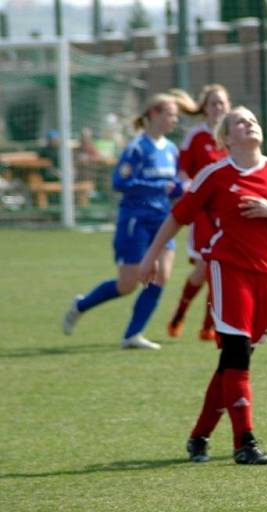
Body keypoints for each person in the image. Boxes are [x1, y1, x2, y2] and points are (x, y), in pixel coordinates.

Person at [139, 106, 267, 465]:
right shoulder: (214, 174)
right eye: (241, 122)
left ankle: (199, 436)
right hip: (228, 269)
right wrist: (150, 257)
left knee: (235, 361)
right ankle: (244, 442)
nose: (250, 125)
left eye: (254, 120)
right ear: (226, 138)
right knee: (236, 354)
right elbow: (178, 216)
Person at [62, 93, 186, 349]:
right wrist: (159, 186)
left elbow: (173, 186)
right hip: (135, 220)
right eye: (170, 114)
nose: (175, 119)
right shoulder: (137, 147)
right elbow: (119, 182)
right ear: (153, 114)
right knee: (127, 284)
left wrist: (181, 189)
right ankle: (81, 305)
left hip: (162, 220)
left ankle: (132, 334)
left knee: (161, 276)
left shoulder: (172, 149)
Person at [166, 84, 232, 342]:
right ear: (204, 108)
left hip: (227, 213)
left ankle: (209, 326)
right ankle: (180, 312)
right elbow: (183, 171)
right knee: (205, 268)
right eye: (213, 103)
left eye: (222, 103)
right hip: (204, 214)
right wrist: (185, 186)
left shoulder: (233, 135)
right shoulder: (196, 136)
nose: (218, 108)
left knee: (222, 267)